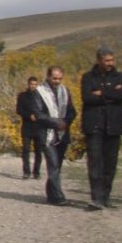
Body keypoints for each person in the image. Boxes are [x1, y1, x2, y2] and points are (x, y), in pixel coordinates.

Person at [81, 48, 122, 210]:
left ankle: (106, 196)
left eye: (112, 60)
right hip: (95, 126)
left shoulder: (119, 76)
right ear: (99, 61)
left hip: (113, 126)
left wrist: (101, 93)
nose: (110, 64)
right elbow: (87, 97)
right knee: (95, 163)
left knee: (110, 163)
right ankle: (96, 198)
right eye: (107, 61)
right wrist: (111, 93)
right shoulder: (88, 77)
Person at [35, 66, 76, 206]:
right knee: (53, 163)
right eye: (54, 78)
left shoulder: (65, 91)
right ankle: (58, 196)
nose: (57, 81)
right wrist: (56, 122)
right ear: (48, 76)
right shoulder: (39, 92)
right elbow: (39, 114)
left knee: (57, 164)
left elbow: (71, 110)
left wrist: (66, 122)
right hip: (47, 134)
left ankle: (51, 193)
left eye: (59, 78)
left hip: (62, 133)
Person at [16, 76, 43, 179]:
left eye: (35, 84)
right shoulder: (22, 96)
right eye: (32, 84)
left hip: (39, 127)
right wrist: (28, 115)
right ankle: (26, 171)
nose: (33, 86)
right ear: (28, 84)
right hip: (27, 126)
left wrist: (39, 117)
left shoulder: (41, 96)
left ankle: (36, 172)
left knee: (38, 151)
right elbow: (19, 110)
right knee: (26, 150)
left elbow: (45, 111)